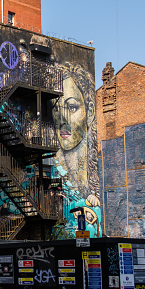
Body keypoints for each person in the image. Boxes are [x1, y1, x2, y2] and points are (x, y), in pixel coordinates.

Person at [52, 62, 98, 200]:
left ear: (90, 112)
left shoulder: (95, 182)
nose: (62, 119)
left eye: (71, 107)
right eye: (56, 109)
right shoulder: (54, 171)